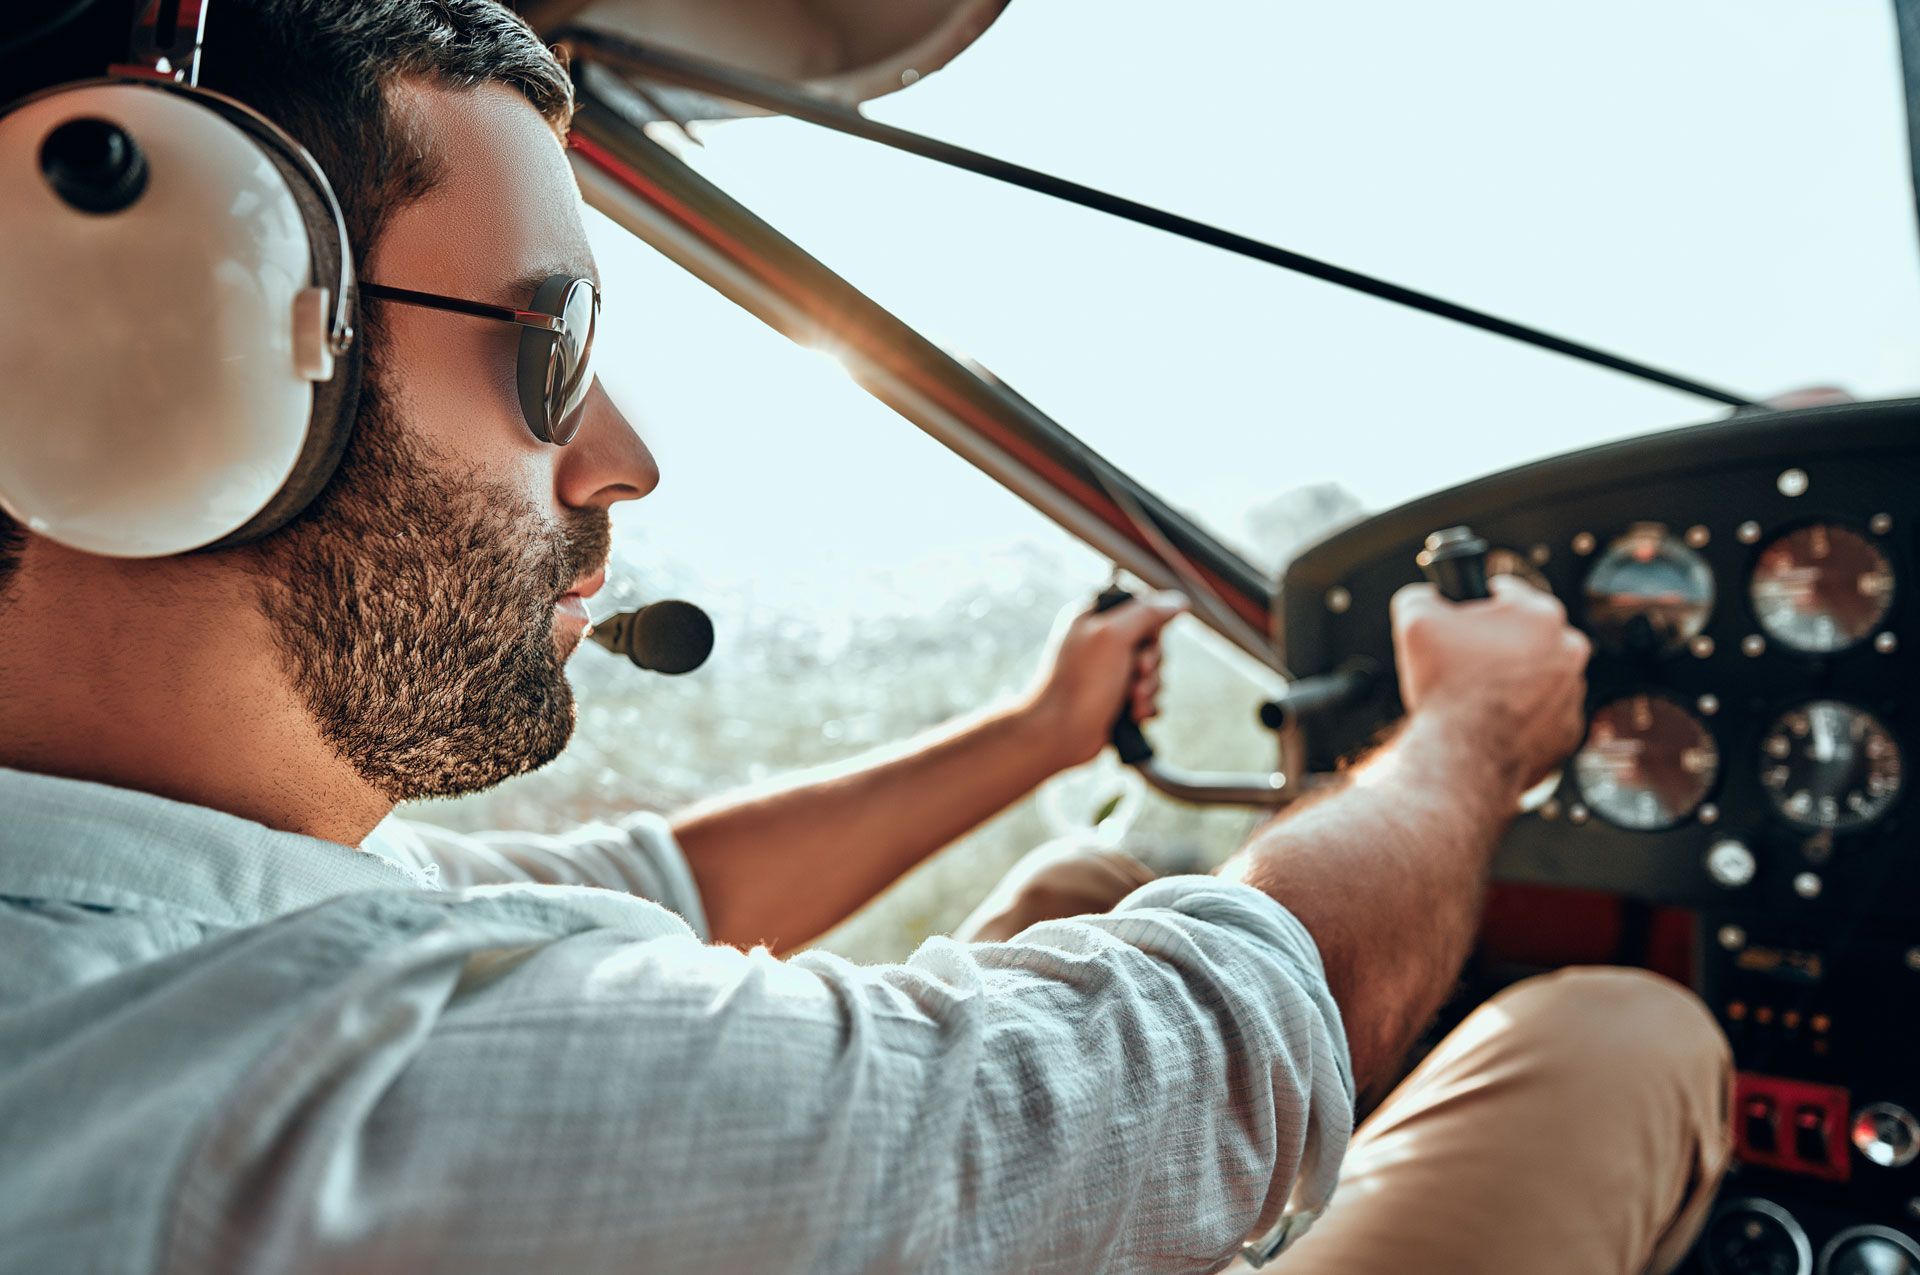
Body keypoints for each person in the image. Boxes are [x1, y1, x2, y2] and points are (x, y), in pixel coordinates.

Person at [0, 4, 1730, 1272]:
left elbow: (657, 882)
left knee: (1075, 888)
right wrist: (1469, 737)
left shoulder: (152, 894)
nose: (625, 458)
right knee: (1612, 1043)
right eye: (550, 351)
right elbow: (1228, 1050)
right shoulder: (297, 1091)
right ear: (169, 357)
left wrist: (1038, 739)